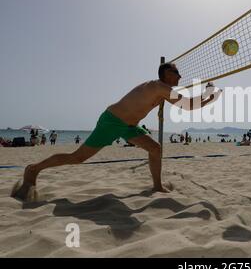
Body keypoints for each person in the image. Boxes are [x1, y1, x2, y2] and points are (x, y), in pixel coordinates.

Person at [12, 63, 222, 201]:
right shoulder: (159, 87)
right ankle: (33, 169)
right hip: (112, 122)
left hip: (129, 126)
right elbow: (188, 106)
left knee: (155, 149)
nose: (180, 76)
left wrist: (207, 96)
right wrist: (209, 93)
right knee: (77, 158)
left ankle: (157, 186)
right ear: (167, 73)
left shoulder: (163, 90)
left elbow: (186, 103)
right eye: (177, 72)